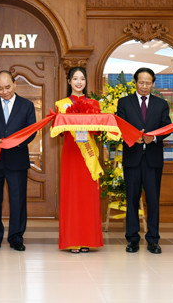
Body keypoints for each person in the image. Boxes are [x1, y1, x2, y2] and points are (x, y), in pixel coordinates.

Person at [0, 70, 36, 252]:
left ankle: (16, 238)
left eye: (8, 87)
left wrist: (16, 143)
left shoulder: (27, 105)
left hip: (17, 160)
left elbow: (31, 131)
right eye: (0, 88)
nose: (4, 92)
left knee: (18, 201)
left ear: (15, 84)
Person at [115, 67, 171, 254]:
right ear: (135, 82)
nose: (144, 86)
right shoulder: (124, 102)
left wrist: (153, 138)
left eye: (148, 83)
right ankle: (132, 239)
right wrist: (133, 137)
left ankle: (153, 240)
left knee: (153, 201)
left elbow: (167, 127)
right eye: (141, 82)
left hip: (153, 160)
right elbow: (120, 125)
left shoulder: (161, 104)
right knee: (131, 200)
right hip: (132, 158)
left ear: (153, 83)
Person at [54, 66, 104, 253]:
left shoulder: (94, 104)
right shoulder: (62, 105)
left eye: (82, 78)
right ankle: (73, 240)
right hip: (71, 153)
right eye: (75, 78)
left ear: (86, 81)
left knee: (87, 196)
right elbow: (59, 132)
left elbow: (98, 131)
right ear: (69, 81)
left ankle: (87, 240)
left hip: (88, 156)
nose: (79, 82)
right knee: (72, 195)